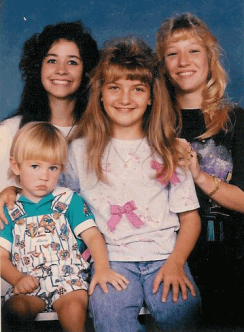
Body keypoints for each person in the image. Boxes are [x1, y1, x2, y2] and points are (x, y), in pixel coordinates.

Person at [64, 36, 202, 332]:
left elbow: (190, 218)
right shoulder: (80, 151)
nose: (125, 99)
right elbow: (59, 201)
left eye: (137, 89)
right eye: (114, 88)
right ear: (100, 93)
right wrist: (12, 190)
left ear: (151, 96)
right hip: (110, 261)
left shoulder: (169, 149)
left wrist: (176, 263)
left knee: (182, 312)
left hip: (166, 256)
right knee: (111, 319)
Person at [156, 12, 244, 326]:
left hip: (231, 258)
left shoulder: (235, 119)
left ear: (209, 57)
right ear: (162, 64)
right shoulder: (152, 121)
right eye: (172, 53)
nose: (183, 61)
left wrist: (199, 175)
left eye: (193, 51)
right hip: (170, 257)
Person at [0, 122, 128, 332]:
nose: (44, 176)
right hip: (28, 283)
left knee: (74, 309)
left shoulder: (69, 200)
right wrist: (18, 279)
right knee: (15, 309)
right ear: (16, 166)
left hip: (68, 282)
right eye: (35, 166)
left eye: (53, 167)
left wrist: (103, 268)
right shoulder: (10, 208)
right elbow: (1, 256)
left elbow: (93, 236)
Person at [0, 20, 99, 194]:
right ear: (38, 68)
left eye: (73, 62)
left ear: (86, 71)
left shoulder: (98, 132)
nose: (61, 70)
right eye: (52, 60)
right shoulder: (10, 131)